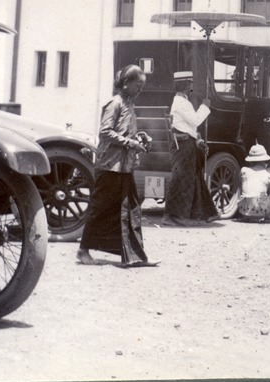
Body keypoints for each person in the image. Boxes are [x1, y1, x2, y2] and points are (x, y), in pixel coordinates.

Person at [77, 65, 159, 268]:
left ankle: (135, 255)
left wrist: (140, 137)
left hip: (124, 167)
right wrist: (130, 143)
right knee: (101, 208)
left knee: (130, 209)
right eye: (137, 84)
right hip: (109, 167)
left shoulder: (129, 105)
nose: (140, 89)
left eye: (142, 85)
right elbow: (105, 132)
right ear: (125, 83)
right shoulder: (115, 104)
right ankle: (83, 250)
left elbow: (125, 132)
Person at [163, 71, 219, 226]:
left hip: (187, 144)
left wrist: (198, 140)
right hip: (182, 146)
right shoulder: (181, 103)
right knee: (182, 180)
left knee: (194, 178)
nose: (192, 87)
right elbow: (195, 121)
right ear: (186, 85)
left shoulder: (183, 101)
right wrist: (205, 107)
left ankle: (205, 212)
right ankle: (173, 215)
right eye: (190, 84)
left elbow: (188, 127)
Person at [238, 144, 270, 222]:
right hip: (260, 211)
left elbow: (239, 185)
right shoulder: (268, 175)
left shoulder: (244, 171)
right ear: (264, 161)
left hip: (243, 210)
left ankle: (247, 215)